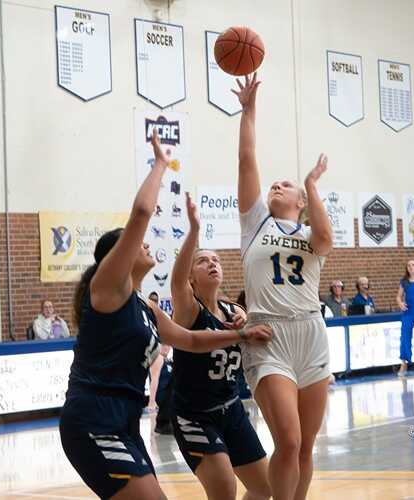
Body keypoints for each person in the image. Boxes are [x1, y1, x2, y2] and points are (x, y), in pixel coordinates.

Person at [58, 130, 273, 500]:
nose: (144, 244)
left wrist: (240, 335)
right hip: (94, 418)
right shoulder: (106, 289)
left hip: (124, 419)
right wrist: (161, 164)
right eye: (136, 243)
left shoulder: (145, 307)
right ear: (116, 257)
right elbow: (142, 213)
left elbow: (190, 340)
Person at [233, 72, 334, 500]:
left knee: (306, 447)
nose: (276, 184)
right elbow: (247, 159)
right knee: (288, 441)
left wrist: (311, 183)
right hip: (268, 334)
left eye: (286, 183)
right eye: (275, 183)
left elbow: (326, 240)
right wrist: (248, 110)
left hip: (310, 332)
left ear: (301, 202)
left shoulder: (312, 235)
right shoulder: (255, 223)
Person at [169, 191, 271, 500]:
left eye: (215, 260)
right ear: (192, 277)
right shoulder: (188, 310)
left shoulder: (234, 313)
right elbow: (176, 282)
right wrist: (194, 233)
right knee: (224, 489)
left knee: (264, 488)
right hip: (194, 414)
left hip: (232, 409)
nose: (212, 264)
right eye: (203, 261)